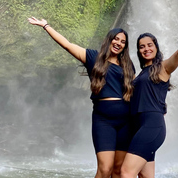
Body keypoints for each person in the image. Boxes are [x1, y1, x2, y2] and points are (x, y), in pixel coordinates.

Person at [28, 17, 135, 178]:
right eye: (116, 39)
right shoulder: (93, 58)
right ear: (109, 40)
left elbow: (137, 91)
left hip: (126, 121)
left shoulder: (128, 66)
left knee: (118, 169)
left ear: (125, 46)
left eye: (123, 41)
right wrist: (46, 26)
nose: (118, 43)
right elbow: (67, 44)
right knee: (105, 169)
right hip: (104, 120)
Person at [120, 10, 178, 178]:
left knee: (126, 172)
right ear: (138, 51)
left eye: (150, 45)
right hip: (139, 127)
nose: (146, 49)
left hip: (152, 125)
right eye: (142, 46)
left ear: (156, 47)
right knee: (144, 176)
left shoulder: (162, 68)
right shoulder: (140, 75)